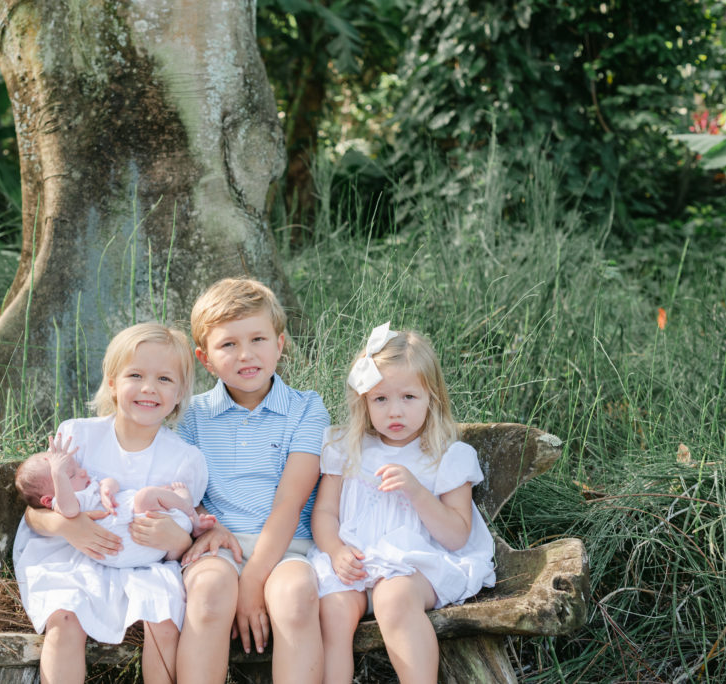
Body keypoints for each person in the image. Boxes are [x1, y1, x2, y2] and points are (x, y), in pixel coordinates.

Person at [12, 322, 207, 684]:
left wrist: (174, 541)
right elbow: (38, 511)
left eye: (165, 380)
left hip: (144, 562)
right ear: (113, 381)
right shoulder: (78, 435)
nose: (149, 388)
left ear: (181, 393)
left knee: (163, 621)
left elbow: (185, 526)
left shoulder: (184, 458)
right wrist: (70, 526)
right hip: (76, 554)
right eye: (136, 374)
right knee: (64, 617)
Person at [309, 323, 495, 684]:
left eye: (408, 397)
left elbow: (457, 535)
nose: (395, 412)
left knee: (393, 597)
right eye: (381, 399)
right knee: (332, 611)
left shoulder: (446, 456)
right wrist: (334, 551)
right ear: (364, 401)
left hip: (417, 565)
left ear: (432, 398)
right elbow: (326, 512)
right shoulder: (345, 448)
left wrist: (417, 492)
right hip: (354, 563)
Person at [176, 277, 330, 684]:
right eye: (228, 344)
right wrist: (208, 522)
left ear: (279, 344)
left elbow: (290, 502)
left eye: (258, 339)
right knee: (208, 594)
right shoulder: (191, 416)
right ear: (205, 358)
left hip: (288, 546)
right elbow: (183, 490)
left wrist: (253, 582)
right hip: (219, 543)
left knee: (296, 598)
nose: (246, 354)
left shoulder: (307, 409)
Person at [15, 439, 215, 567]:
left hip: (149, 534)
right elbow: (68, 510)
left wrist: (107, 488)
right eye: (72, 474)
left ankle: (186, 516)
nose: (83, 472)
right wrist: (58, 473)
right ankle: (189, 510)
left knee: (150, 497)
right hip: (125, 541)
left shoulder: (85, 486)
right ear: (49, 499)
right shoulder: (65, 501)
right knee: (145, 496)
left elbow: (110, 482)